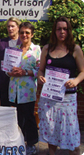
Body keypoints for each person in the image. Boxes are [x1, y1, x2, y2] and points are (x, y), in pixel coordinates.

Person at [38, 16, 84, 155]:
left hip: (67, 99)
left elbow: (82, 71)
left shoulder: (75, 49)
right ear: (54, 31)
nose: (62, 32)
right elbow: (41, 69)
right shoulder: (47, 48)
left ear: (69, 31)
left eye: (65, 29)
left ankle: (75, 152)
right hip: (49, 98)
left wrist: (75, 81)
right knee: (51, 130)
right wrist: (40, 76)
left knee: (71, 132)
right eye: (59, 29)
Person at [7, 22, 40, 155]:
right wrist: (9, 72)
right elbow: (6, 67)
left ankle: (31, 144)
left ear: (32, 34)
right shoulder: (13, 48)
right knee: (16, 118)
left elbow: (39, 70)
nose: (24, 35)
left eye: (27, 33)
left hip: (28, 91)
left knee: (29, 118)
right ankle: (17, 143)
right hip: (14, 90)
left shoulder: (36, 50)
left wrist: (25, 72)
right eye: (22, 32)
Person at [0, 17, 21, 107]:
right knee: (5, 107)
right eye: (8, 26)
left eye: (13, 26)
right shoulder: (1, 42)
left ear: (18, 27)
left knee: (19, 109)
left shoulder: (23, 42)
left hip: (19, 81)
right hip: (4, 81)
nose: (10, 29)